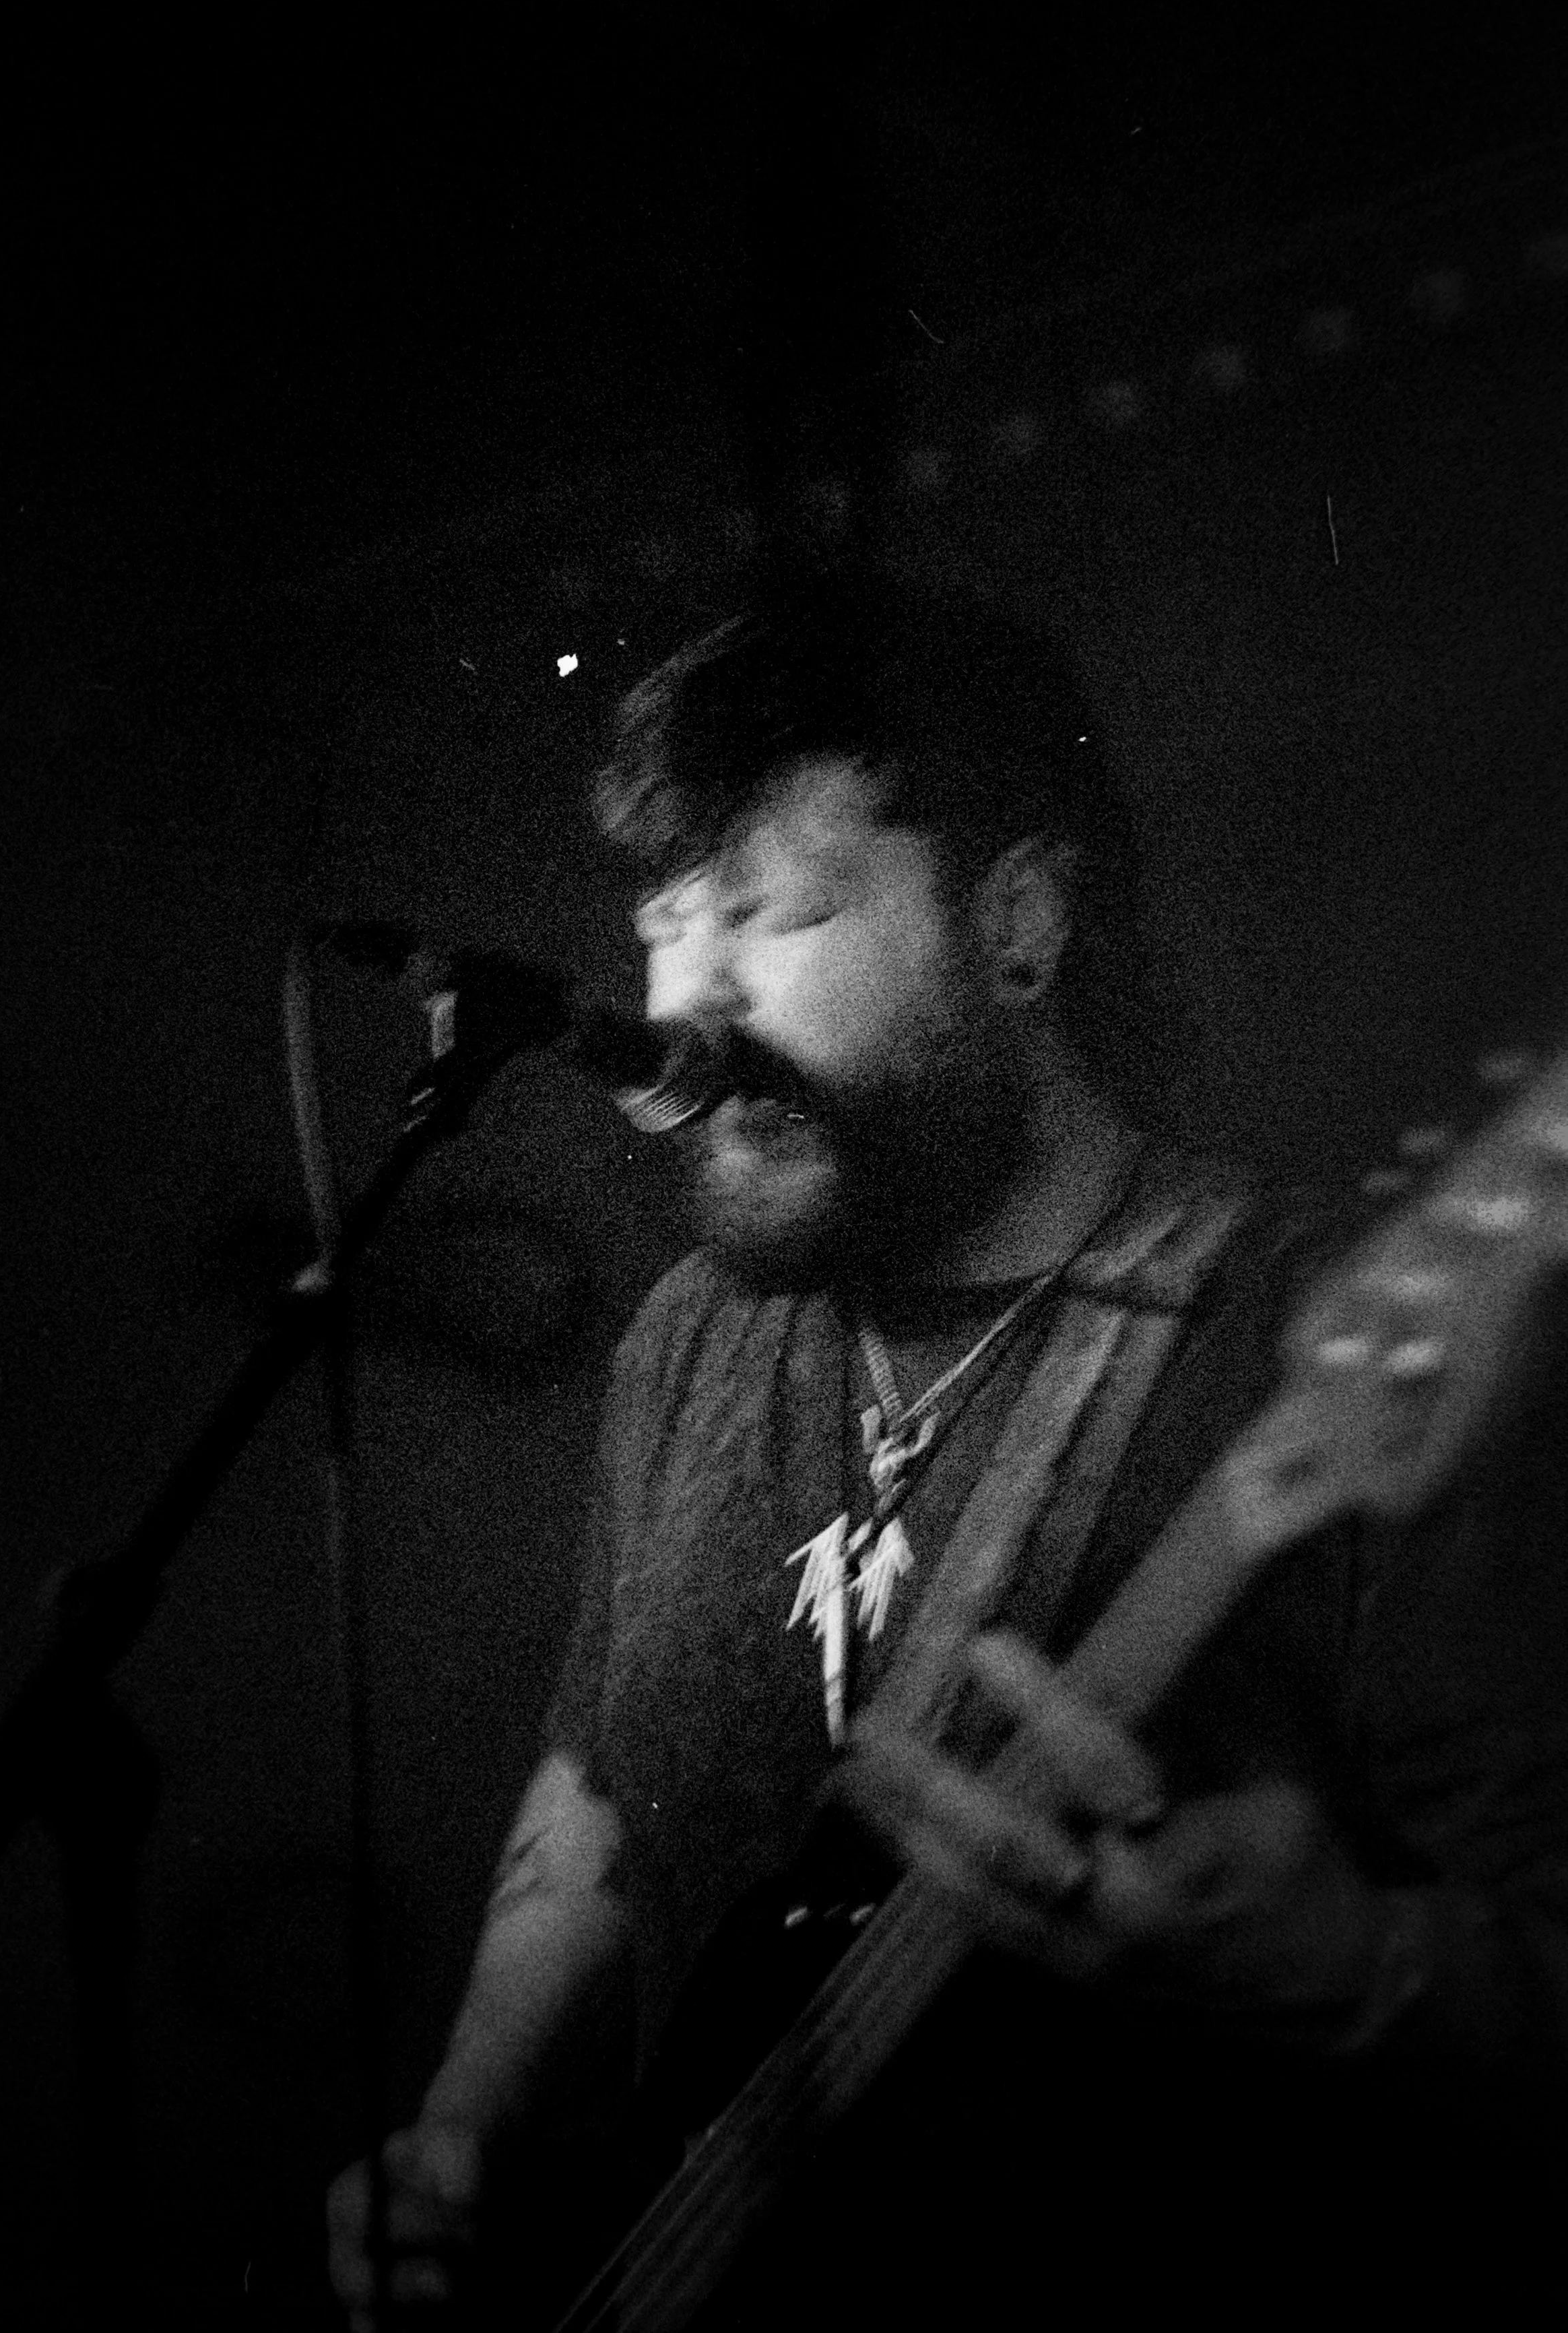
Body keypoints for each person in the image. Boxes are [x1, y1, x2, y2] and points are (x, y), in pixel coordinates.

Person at [329, 572, 1568, 2328]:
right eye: (667, 921)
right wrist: (461, 2124)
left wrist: (1336, 1965)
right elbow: (600, 1792)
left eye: (775, 912)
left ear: (1017, 924)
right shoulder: (695, 1331)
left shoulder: (1314, 1332)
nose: (685, 1004)